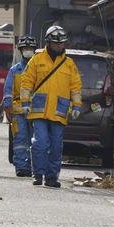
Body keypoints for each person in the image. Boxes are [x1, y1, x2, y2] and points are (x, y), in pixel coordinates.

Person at [19, 25, 82, 188]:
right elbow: (26, 82)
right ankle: (38, 174)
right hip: (39, 110)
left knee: (56, 146)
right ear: (48, 42)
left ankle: (52, 177)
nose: (59, 46)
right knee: (40, 143)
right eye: (56, 43)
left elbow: (75, 86)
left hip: (59, 112)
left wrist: (76, 106)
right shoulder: (37, 60)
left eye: (61, 43)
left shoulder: (69, 64)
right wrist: (25, 103)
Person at [1, 35, 38, 178]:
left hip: (36, 110)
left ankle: (34, 167)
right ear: (21, 50)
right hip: (17, 111)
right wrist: (7, 107)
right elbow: (8, 90)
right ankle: (21, 167)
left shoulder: (39, 70)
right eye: (25, 49)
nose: (28, 51)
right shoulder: (15, 70)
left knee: (35, 140)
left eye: (30, 49)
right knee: (20, 139)